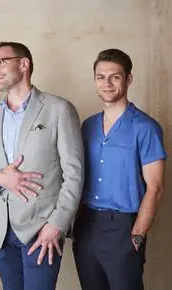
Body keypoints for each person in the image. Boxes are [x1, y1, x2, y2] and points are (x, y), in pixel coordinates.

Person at [0, 41, 84, 290]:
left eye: (1, 62)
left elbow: (74, 173)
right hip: (0, 232)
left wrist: (57, 225)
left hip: (42, 229)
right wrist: (0, 178)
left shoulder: (58, 110)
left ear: (24, 64)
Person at [73, 48, 167, 290]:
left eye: (114, 76)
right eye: (101, 77)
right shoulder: (88, 127)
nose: (107, 83)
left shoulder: (145, 128)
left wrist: (137, 235)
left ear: (128, 79)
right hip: (86, 226)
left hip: (123, 228)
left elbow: (155, 188)